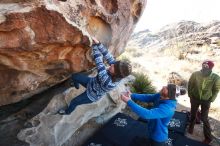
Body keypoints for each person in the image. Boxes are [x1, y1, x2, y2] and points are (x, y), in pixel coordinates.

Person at [58, 40, 132, 115]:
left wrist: (95, 47)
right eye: (114, 64)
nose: (111, 65)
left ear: (116, 73)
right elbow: (107, 55)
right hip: (91, 82)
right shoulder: (117, 72)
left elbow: (99, 62)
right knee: (75, 76)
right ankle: (76, 85)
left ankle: (67, 112)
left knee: (74, 102)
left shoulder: (108, 82)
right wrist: (98, 43)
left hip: (92, 95)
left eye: (114, 66)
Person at [121, 84, 186, 146]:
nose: (163, 86)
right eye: (166, 85)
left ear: (169, 96)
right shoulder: (161, 95)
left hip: (158, 137)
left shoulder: (168, 109)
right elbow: (148, 97)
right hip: (152, 129)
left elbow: (147, 114)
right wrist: (132, 95)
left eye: (166, 88)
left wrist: (129, 101)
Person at [188, 60, 220, 144]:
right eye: (203, 65)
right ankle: (191, 128)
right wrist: (190, 95)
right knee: (193, 114)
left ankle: (208, 138)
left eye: (206, 66)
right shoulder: (195, 74)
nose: (204, 67)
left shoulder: (215, 77)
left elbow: (216, 89)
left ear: (210, 67)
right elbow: (190, 84)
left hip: (206, 100)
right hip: (194, 98)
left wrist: (211, 99)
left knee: (204, 118)